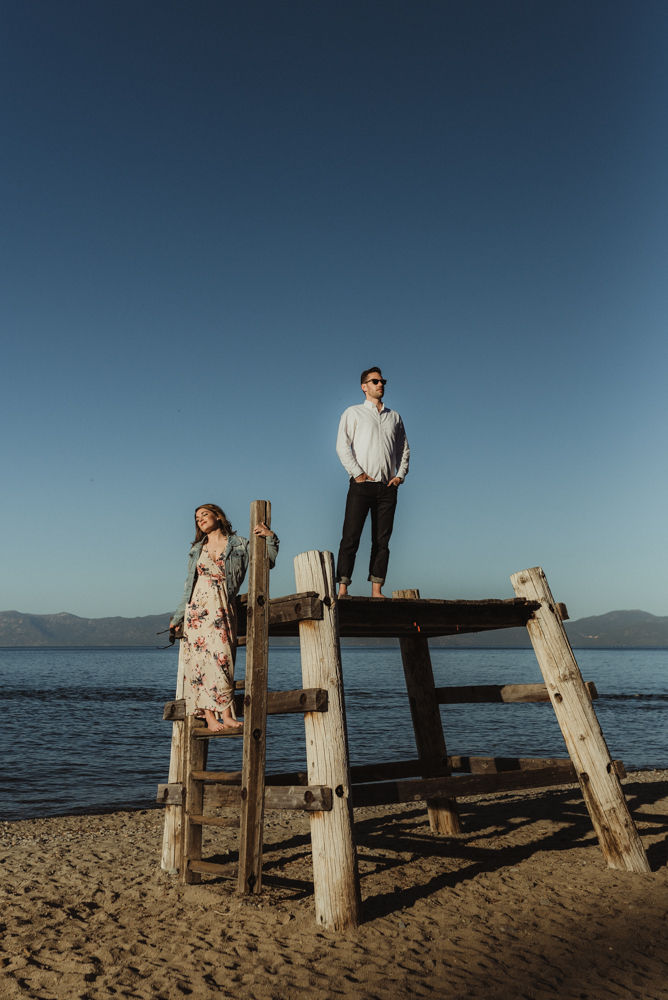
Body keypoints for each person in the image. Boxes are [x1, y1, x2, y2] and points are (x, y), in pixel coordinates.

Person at [169, 504, 279, 732]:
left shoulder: (240, 545)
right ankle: (210, 717)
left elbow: (266, 563)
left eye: (204, 515)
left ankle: (226, 714)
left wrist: (271, 537)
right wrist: (178, 616)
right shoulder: (197, 549)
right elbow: (188, 586)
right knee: (200, 664)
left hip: (222, 608)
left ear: (218, 516)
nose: (200, 519)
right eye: (196, 518)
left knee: (223, 660)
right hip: (197, 612)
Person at [335, 367, 409, 598]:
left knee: (382, 541)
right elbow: (341, 446)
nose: (380, 384)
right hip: (361, 486)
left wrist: (400, 475)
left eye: (382, 381)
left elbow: (403, 449)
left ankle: (377, 590)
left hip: (388, 487)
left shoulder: (394, 416)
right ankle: (343, 588)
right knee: (351, 537)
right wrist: (357, 473)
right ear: (364, 386)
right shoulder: (353, 412)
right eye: (375, 381)